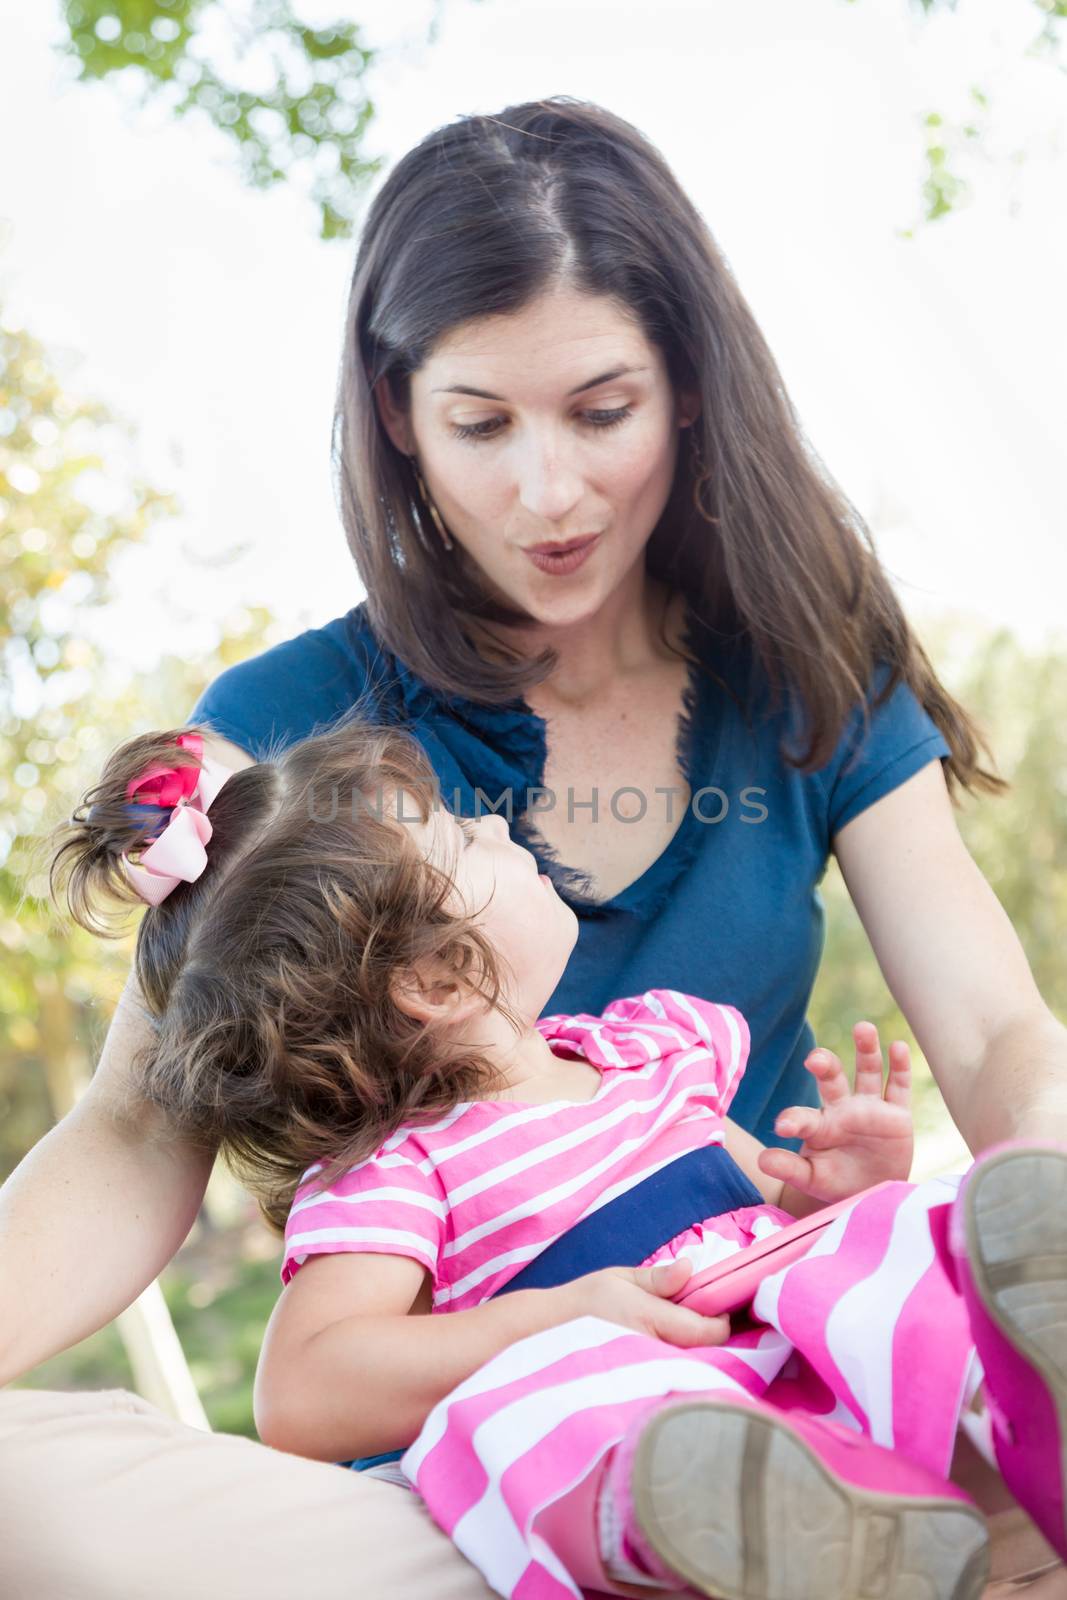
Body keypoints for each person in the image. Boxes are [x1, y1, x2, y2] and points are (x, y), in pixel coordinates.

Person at [1, 95, 1065, 1598]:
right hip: (500, 1462)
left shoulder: (802, 666)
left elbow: (993, 1029)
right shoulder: (298, 738)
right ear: (395, 412)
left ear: (685, 387)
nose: (546, 494)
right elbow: (132, 1132)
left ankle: (938, 1507)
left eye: (600, 410)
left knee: (941, 1286)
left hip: (775, 1352)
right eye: (479, 425)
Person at [39, 716, 1067, 1600]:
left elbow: (762, 1203)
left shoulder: (648, 1053)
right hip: (658, 1410)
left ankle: (1028, 1396)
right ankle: (780, 1534)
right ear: (435, 978)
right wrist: (558, 1317)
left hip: (786, 1342)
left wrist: (837, 1189)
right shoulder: (397, 1169)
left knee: (903, 1235)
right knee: (546, 1411)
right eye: (461, 835)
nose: (493, 824)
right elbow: (302, 1388)